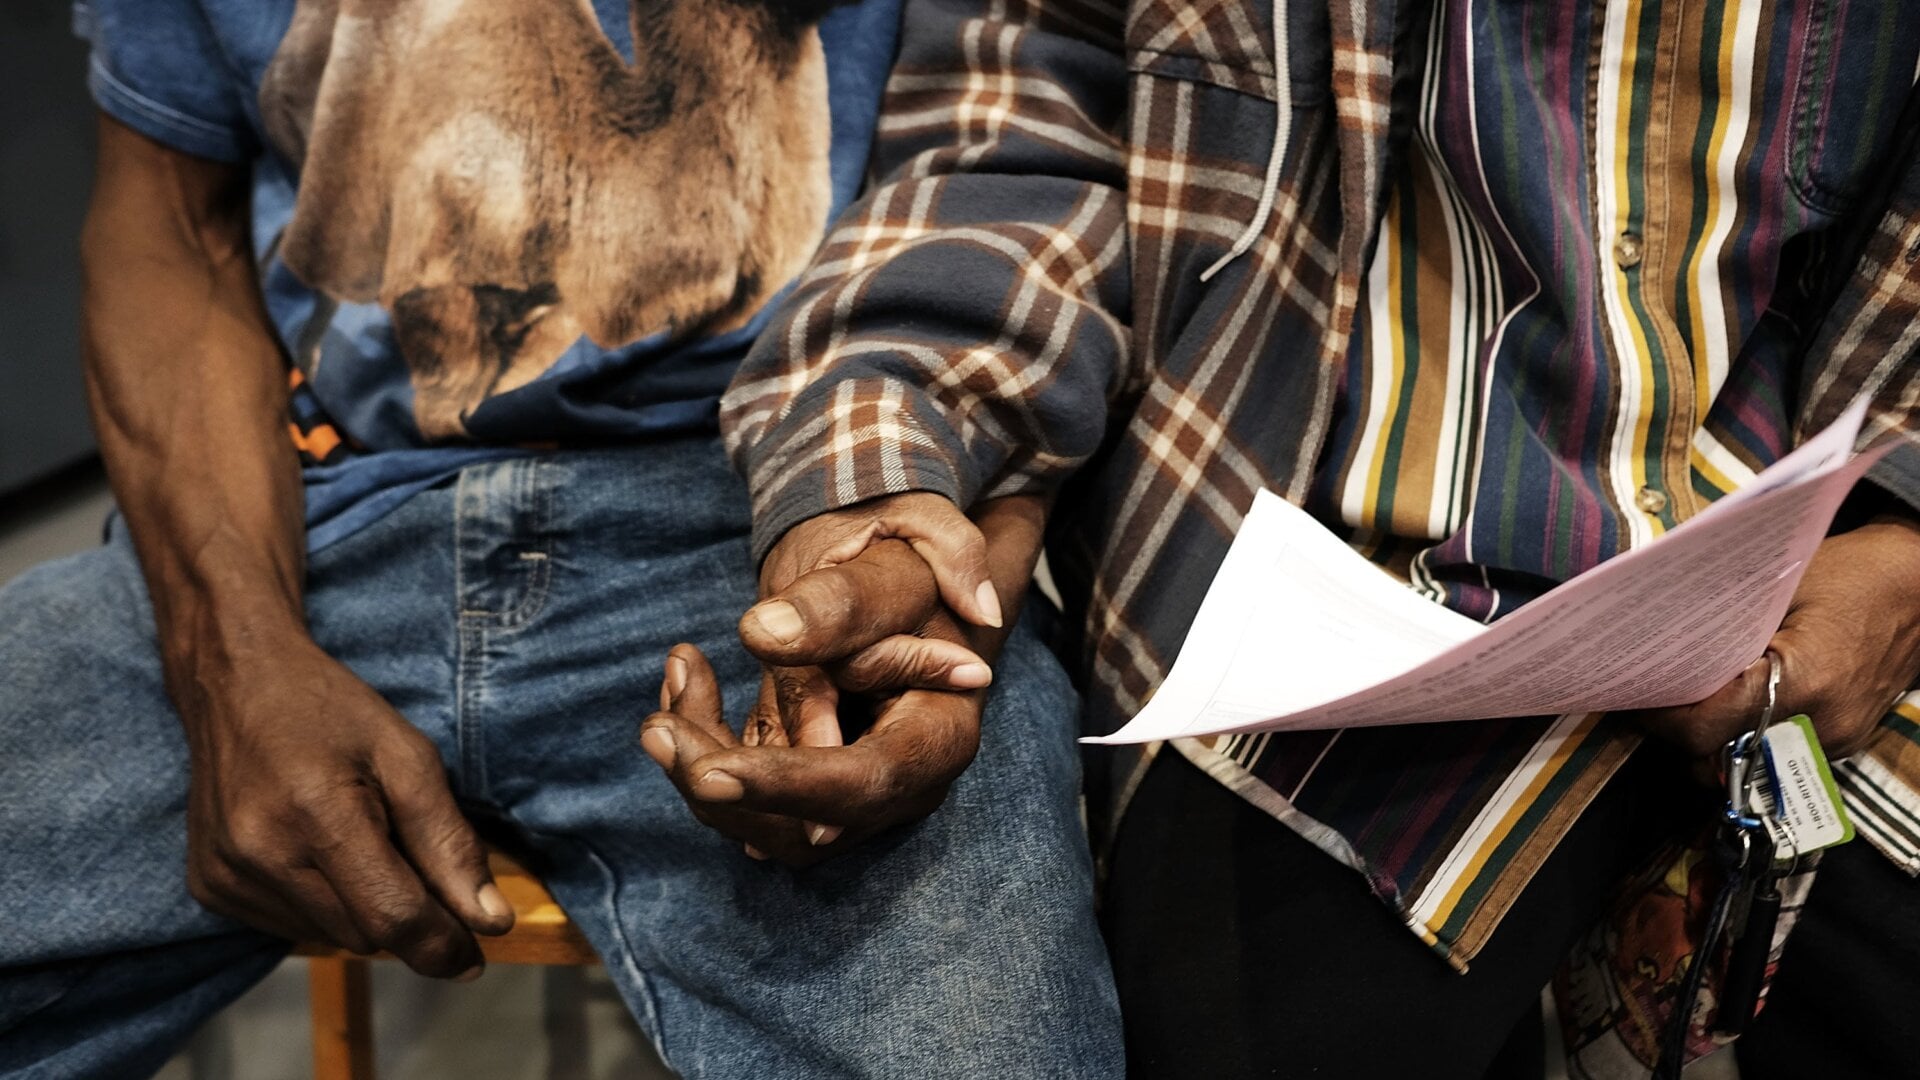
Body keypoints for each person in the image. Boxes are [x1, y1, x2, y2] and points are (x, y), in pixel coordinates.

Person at [647, 0, 1920, 1075]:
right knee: (1253, 1026)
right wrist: (885, 477)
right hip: (1327, 566)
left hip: (1840, 514)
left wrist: (1908, 537)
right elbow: (1031, 131)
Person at [0, 2, 1123, 1076]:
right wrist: (229, 664)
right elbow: (170, 226)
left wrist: (879, 509)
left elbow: (1010, 152)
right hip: (304, 523)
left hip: (762, 513)